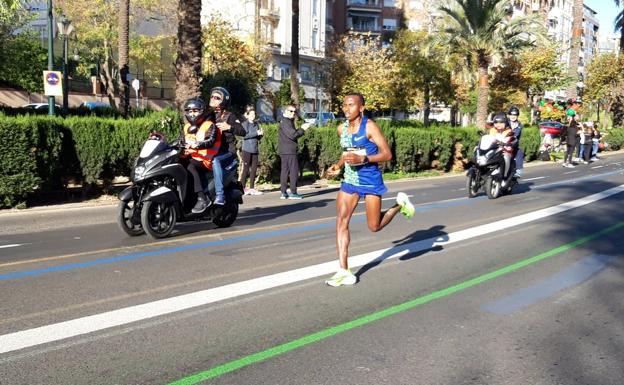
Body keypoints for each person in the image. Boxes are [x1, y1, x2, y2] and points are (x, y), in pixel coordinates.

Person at [324, 93, 415, 287]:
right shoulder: (342, 129)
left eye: (351, 105)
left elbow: (387, 154)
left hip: (370, 181)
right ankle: (344, 270)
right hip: (349, 181)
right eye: (344, 105)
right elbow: (347, 152)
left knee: (374, 226)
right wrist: (339, 165)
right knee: (341, 221)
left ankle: (400, 204)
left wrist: (363, 159)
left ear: (361, 108)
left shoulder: (370, 127)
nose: (346, 109)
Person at [181, 98, 221, 213]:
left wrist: (197, 144)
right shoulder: (186, 126)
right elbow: (181, 140)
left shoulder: (209, 125)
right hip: (191, 157)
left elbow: (210, 141)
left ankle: (202, 198)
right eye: (189, 111)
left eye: (195, 111)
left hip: (205, 160)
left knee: (189, 166)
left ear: (202, 111)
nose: (192, 114)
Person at [208, 87, 246, 205]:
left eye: (217, 98)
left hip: (226, 151)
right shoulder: (207, 115)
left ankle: (220, 195)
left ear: (223, 101)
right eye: (212, 96)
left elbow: (242, 131)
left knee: (215, 161)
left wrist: (229, 127)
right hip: (208, 150)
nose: (213, 99)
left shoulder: (229, 116)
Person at [278, 104, 311, 199]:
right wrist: (303, 129)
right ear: (285, 111)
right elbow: (293, 135)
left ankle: (284, 192)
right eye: (291, 111)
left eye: (294, 111)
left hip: (286, 150)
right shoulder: (285, 122)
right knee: (293, 171)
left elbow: (292, 134)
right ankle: (293, 192)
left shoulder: (286, 121)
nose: (293, 113)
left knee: (285, 171)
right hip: (289, 150)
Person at [488, 112, 517, 186]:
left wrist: (508, 143)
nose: (498, 124)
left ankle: (504, 178)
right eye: (496, 122)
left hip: (505, 151)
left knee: (506, 157)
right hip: (494, 150)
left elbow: (513, 140)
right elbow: (488, 139)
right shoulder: (492, 131)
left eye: (501, 122)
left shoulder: (509, 131)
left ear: (505, 123)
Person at [241, 105, 263, 195]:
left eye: (254, 114)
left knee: (254, 169)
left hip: (255, 149)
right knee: (246, 169)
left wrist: (261, 134)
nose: (253, 116)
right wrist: (256, 133)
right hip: (246, 149)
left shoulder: (256, 124)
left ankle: (252, 188)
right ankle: (242, 188)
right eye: (252, 114)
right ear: (248, 115)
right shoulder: (245, 124)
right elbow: (245, 136)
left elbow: (257, 138)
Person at [507, 106, 524, 178]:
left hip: (512, 143)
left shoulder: (519, 125)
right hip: (502, 141)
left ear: (517, 116)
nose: (513, 116)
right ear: (509, 115)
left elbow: (516, 135)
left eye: (515, 115)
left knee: (519, 152)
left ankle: (518, 171)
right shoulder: (505, 122)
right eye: (512, 115)